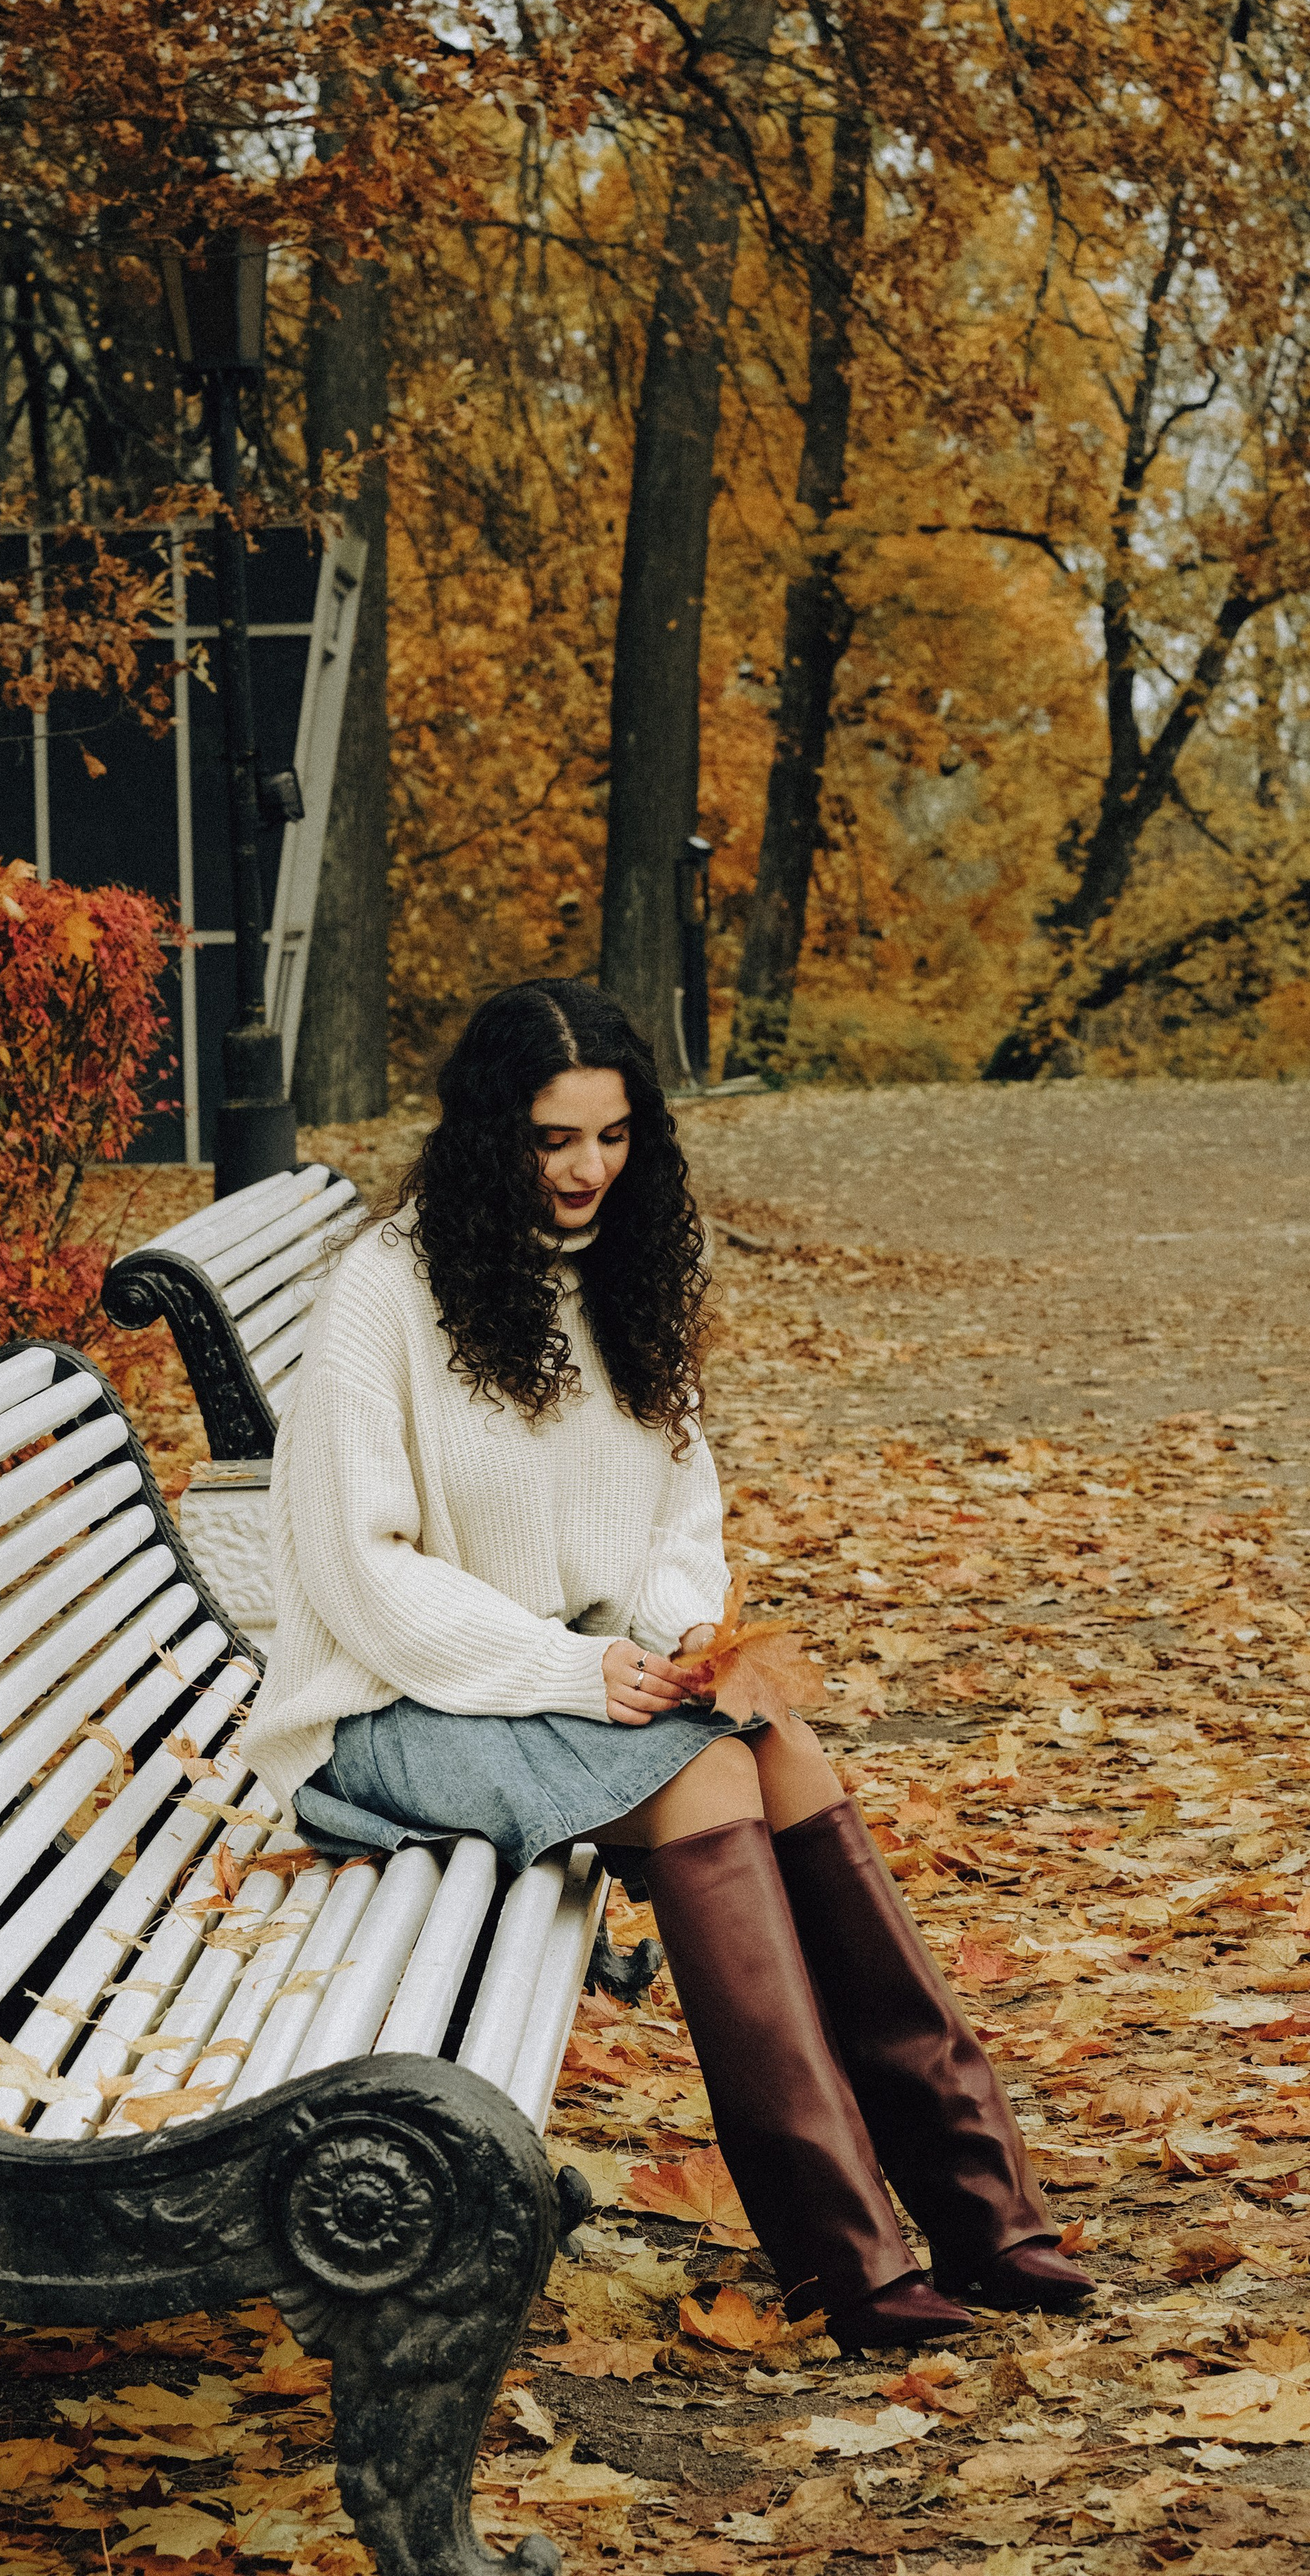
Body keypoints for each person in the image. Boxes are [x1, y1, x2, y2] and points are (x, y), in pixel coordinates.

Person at [242, 978, 1093, 2352]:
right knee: (708, 1784)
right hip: (394, 1710)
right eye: (553, 1140)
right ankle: (846, 2256)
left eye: (614, 1136)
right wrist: (569, 1670)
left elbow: (675, 1514)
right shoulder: (383, 1295)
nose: (588, 1170)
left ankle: (981, 2203)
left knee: (780, 1746)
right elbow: (365, 1573)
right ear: (489, 1135)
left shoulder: (635, 1265)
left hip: (574, 1685)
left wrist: (686, 1629)